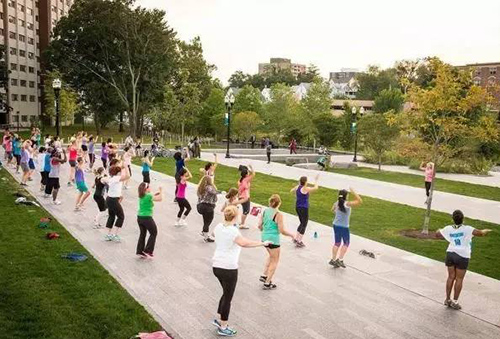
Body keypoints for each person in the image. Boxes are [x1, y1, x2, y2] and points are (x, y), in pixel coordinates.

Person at [211, 205, 271, 337]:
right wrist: (262, 243)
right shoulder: (233, 231)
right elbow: (244, 243)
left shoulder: (219, 226)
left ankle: (219, 318)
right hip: (229, 268)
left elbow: (216, 235)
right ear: (236, 216)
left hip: (216, 266)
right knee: (228, 297)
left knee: (225, 293)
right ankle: (223, 326)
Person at [436, 210, 492, 310]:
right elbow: (479, 233)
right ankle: (455, 302)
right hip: (463, 256)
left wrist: (441, 229)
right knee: (459, 279)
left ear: (452, 219)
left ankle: (447, 299)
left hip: (450, 253)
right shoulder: (467, 229)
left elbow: (437, 234)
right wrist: (485, 230)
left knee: (450, 277)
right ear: (463, 219)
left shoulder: (448, 228)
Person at [258, 194, 294, 289]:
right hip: (274, 240)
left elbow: (259, 226)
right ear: (279, 204)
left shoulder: (264, 211)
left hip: (264, 238)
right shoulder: (278, 214)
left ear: (270, 202)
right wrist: (292, 235)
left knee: (271, 256)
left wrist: (265, 230)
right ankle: (268, 282)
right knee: (275, 260)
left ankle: (264, 275)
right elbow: (282, 230)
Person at [329, 188, 363, 268]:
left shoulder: (336, 203)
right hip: (344, 227)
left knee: (337, 243)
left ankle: (333, 260)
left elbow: (332, 210)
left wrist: (338, 214)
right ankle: (340, 260)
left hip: (336, 225)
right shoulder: (347, 204)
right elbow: (360, 201)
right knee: (346, 243)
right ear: (346, 196)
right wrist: (354, 192)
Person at [102, 164, 130, 242]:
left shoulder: (112, 178)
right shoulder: (117, 178)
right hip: (113, 200)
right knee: (121, 216)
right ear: (118, 173)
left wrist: (121, 168)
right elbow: (128, 176)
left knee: (111, 216)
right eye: (120, 172)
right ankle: (114, 235)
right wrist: (127, 166)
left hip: (109, 199)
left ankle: (108, 235)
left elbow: (104, 179)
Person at [290, 175, 319, 247]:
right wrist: (316, 180)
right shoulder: (305, 189)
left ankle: (296, 238)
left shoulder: (298, 187)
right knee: (304, 224)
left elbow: (292, 190)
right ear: (305, 182)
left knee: (301, 222)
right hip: (304, 208)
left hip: (297, 207)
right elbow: (316, 188)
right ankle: (299, 241)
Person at [136, 182, 163, 258]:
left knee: (142, 234)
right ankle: (148, 250)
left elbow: (150, 196)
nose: (150, 187)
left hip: (140, 217)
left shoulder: (141, 195)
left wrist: (155, 193)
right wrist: (161, 190)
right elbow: (160, 199)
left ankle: (140, 251)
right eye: (149, 186)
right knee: (154, 232)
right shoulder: (148, 195)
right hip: (147, 218)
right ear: (146, 189)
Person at [197, 175, 218, 242]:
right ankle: (205, 236)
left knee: (205, 219)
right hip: (207, 207)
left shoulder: (200, 187)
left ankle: (204, 233)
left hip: (200, 206)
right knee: (208, 221)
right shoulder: (209, 187)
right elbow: (215, 192)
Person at [237, 165, 255, 229]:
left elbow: (239, 190)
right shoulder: (246, 180)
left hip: (241, 197)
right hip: (245, 197)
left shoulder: (241, 180)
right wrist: (251, 167)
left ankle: (242, 222)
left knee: (244, 210)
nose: (249, 173)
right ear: (246, 175)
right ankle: (242, 224)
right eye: (247, 173)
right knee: (246, 211)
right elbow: (253, 174)